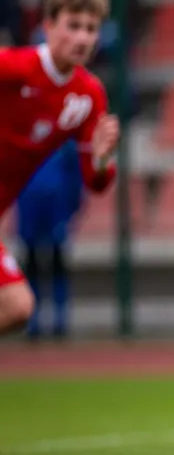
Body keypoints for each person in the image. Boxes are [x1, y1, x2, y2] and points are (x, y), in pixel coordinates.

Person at [0, 0, 120, 335]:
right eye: (73, 25)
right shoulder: (14, 67)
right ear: (48, 26)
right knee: (17, 304)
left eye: (91, 29)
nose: (82, 38)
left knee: (16, 308)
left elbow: (96, 182)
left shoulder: (88, 95)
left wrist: (101, 159)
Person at [16, 140, 83, 339]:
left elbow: (75, 172)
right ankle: (33, 320)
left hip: (56, 202)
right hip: (30, 200)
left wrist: (73, 205)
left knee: (57, 260)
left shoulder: (64, 138)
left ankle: (60, 319)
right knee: (31, 261)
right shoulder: (22, 133)